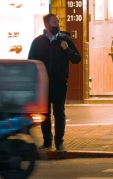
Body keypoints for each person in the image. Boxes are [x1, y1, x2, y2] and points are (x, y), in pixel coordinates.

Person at [28, 13, 81, 152]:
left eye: (57, 21)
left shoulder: (65, 40)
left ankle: (59, 142)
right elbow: (30, 62)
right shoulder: (38, 42)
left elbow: (77, 59)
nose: (57, 24)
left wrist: (67, 48)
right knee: (44, 113)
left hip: (59, 83)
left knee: (59, 113)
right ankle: (47, 142)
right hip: (43, 84)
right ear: (46, 25)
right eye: (53, 22)